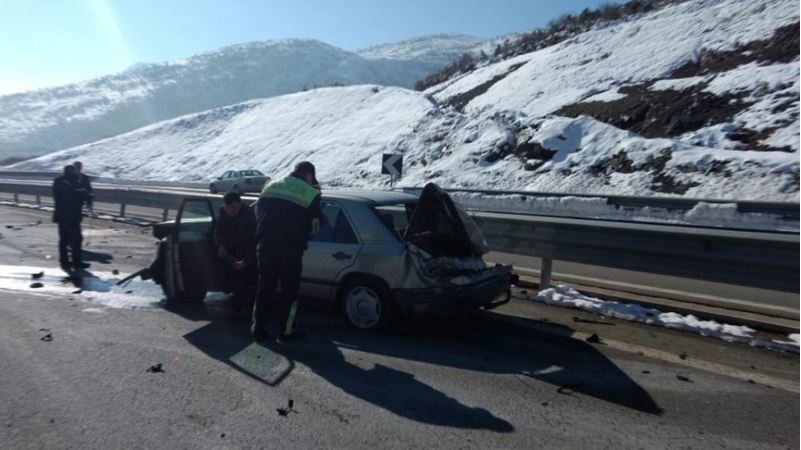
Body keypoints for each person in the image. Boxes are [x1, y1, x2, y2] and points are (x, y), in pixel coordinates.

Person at [252, 161, 322, 343]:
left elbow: (258, 214)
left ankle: (258, 330)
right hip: (290, 248)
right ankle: (285, 332)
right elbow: (316, 225)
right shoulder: (310, 193)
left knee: (264, 288)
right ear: (309, 175)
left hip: (266, 245)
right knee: (289, 291)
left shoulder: (270, 186)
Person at [215, 191, 258, 313]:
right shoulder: (223, 213)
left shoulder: (249, 215)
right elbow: (218, 231)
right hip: (229, 254)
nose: (230, 211)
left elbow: (253, 241)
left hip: (245, 255)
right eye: (227, 208)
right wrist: (220, 245)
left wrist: (246, 261)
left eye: (233, 208)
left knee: (242, 279)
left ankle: (238, 309)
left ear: (240, 204)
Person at [52, 165, 90, 272]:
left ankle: (67, 262)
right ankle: (74, 262)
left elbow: (82, 194)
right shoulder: (69, 182)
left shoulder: (60, 181)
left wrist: (84, 195)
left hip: (63, 215)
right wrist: (83, 194)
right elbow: (75, 196)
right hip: (70, 215)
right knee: (75, 239)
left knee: (66, 239)